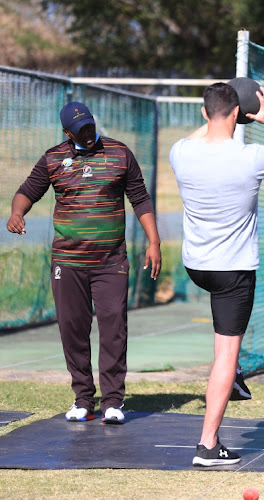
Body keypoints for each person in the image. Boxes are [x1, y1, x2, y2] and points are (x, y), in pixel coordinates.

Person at [170, 82, 264, 466]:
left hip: (197, 266)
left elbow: (205, 128)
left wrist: (220, 106)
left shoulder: (180, 153)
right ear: (239, 115)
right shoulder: (252, 156)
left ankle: (232, 372)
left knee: (224, 350)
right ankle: (208, 445)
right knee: (226, 354)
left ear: (203, 113)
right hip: (232, 270)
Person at [6, 101, 162, 424]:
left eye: (90, 127)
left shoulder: (120, 154)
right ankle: (83, 399)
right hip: (68, 262)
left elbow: (140, 198)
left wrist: (154, 241)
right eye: (80, 131)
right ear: (67, 133)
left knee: (114, 326)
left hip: (111, 261)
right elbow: (27, 192)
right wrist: (16, 213)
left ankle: (114, 402)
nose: (88, 135)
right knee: (73, 329)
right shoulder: (53, 159)